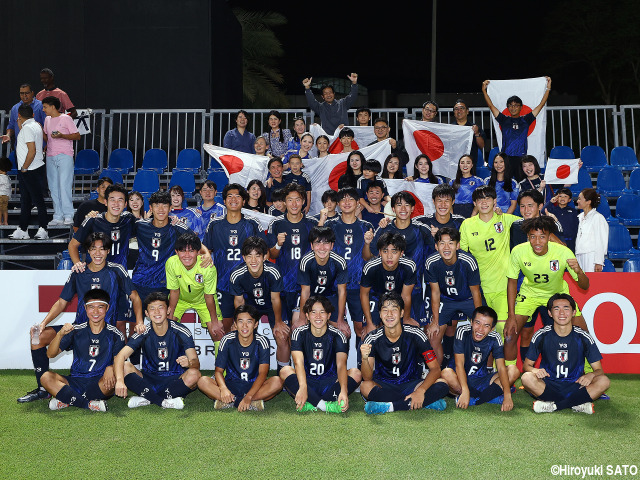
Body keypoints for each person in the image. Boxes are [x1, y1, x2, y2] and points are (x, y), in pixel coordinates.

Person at [17, 232, 143, 404]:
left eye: (102, 249)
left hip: (104, 331)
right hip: (78, 329)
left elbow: (135, 297)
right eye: (93, 249)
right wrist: (43, 324)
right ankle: (43, 388)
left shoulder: (116, 270)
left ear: (107, 251)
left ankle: (71, 394)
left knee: (109, 371)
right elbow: (62, 302)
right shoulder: (79, 271)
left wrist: (140, 321)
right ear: (88, 251)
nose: (98, 253)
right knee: (37, 336)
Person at [506, 216, 589, 365]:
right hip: (529, 294)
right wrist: (511, 315)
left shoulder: (563, 252)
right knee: (509, 335)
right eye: (533, 237)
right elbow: (511, 282)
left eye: (542, 237)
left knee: (584, 334)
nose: (537, 242)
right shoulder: (518, 251)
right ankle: (509, 375)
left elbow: (585, 286)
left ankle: (590, 374)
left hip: (557, 295)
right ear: (528, 237)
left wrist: (579, 271)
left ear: (549, 237)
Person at [360, 292, 448, 414]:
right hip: (384, 385)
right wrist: (364, 359)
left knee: (443, 384)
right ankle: (423, 402)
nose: (389, 314)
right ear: (380, 314)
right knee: (365, 386)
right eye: (385, 310)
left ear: (401, 313)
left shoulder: (416, 334)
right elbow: (367, 377)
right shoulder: (372, 338)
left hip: (411, 384)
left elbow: (435, 369)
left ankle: (391, 406)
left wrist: (421, 391)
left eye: (394, 310)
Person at [522, 294, 610, 414]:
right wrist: (535, 371)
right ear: (550, 313)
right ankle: (577, 404)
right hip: (548, 385)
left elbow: (599, 371)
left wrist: (590, 375)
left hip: (576, 385)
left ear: (574, 312)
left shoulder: (583, 336)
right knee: (526, 378)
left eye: (566, 308)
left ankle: (554, 405)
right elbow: (526, 366)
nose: (562, 313)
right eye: (556, 309)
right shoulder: (541, 335)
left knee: (604, 381)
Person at [114, 292, 201, 410]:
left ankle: (148, 398)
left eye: (161, 307)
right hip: (149, 379)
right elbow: (120, 356)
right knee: (124, 366)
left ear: (168, 310)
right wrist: (119, 381)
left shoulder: (181, 331)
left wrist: (190, 363)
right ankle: (163, 401)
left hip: (175, 379)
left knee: (195, 374)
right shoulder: (143, 332)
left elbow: (196, 363)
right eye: (152, 309)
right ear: (147, 314)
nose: (157, 312)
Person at [41, 289, 124, 412]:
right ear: (85, 308)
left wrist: (111, 367)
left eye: (100, 307)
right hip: (76, 380)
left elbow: (120, 360)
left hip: (100, 382)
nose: (95, 312)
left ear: (107, 308)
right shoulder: (76, 330)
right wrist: (59, 334)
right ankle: (88, 404)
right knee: (45, 377)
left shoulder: (116, 334)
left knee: (115, 378)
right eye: (91, 307)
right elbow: (50, 354)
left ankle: (68, 399)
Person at [267, 183, 319, 371]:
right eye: (290, 200)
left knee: (299, 331)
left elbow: (320, 252)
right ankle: (284, 374)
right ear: (284, 202)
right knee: (281, 334)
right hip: (280, 288)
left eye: (298, 199)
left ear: (304, 201)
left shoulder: (312, 224)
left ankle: (302, 372)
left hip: (302, 287)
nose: (294, 203)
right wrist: (278, 245)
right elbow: (271, 255)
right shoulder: (276, 223)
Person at [202, 184, 267, 333]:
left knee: (248, 329)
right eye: (230, 196)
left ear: (244, 201)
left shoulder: (252, 223)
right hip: (222, 285)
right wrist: (206, 253)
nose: (233, 199)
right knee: (225, 329)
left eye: (238, 196)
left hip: (247, 285)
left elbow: (265, 253)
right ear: (224, 200)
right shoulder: (215, 224)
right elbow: (205, 248)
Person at [281, 296, 361, 413]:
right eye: (313, 312)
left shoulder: (338, 335)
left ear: (329, 315)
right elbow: (298, 363)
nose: (318, 316)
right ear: (307, 316)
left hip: (330, 382)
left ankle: (311, 402)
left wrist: (343, 390)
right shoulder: (298, 333)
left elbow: (341, 365)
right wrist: (303, 387)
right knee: (285, 371)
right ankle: (324, 405)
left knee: (356, 373)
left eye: (322, 312)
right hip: (307, 382)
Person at [365, 192, 433, 328]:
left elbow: (437, 254)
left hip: (415, 290)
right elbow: (369, 256)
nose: (403, 209)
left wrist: (437, 235)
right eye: (399, 205)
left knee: (419, 333)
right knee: (383, 334)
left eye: (407, 205)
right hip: (386, 292)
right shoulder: (384, 229)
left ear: (413, 208)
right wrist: (367, 242)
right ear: (393, 209)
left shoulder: (422, 229)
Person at [459, 186, 520, 338]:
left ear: (495, 201)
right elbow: (462, 257)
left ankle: (500, 362)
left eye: (488, 198)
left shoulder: (505, 219)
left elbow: (533, 223)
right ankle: (483, 362)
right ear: (474, 203)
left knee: (502, 329)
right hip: (478, 288)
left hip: (502, 286)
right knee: (480, 330)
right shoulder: (467, 224)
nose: (484, 202)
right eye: (480, 199)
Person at [197, 304, 283, 411]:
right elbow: (218, 371)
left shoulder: (262, 341)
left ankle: (232, 401)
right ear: (235, 324)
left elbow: (263, 374)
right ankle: (249, 403)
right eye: (241, 321)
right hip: (231, 384)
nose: (245, 326)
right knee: (202, 381)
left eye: (249, 322)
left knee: (278, 381)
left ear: (256, 324)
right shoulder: (227, 340)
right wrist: (223, 389)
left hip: (254, 386)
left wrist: (249, 396)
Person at [131, 191, 211, 301]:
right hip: (140, 281)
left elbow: (197, 243)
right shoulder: (140, 226)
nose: (160, 209)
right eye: (156, 205)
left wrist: (206, 254)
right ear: (151, 208)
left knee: (164, 317)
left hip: (165, 284)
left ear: (170, 208)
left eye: (164, 205)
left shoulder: (177, 226)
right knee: (136, 318)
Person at [440, 306, 519, 411]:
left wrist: (507, 395)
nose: (480, 329)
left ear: (492, 328)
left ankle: (477, 399)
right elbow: (459, 365)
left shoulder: (495, 337)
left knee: (514, 370)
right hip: (459, 380)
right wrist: (465, 390)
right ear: (471, 322)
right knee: (446, 373)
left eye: (486, 326)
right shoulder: (462, 331)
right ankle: (489, 397)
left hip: (481, 379)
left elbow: (500, 367)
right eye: (477, 323)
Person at [425, 228, 482, 365]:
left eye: (450, 243)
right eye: (442, 243)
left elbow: (475, 292)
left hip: (467, 299)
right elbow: (435, 292)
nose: (446, 247)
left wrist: (479, 319)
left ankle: (486, 370)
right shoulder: (431, 262)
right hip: (446, 300)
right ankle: (437, 374)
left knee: (484, 330)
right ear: (436, 246)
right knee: (433, 335)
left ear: (457, 245)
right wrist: (435, 322)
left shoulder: (468, 261)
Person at [325, 188, 374, 346]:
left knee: (361, 328)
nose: (347, 203)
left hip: (358, 285)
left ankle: (362, 367)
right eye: (343, 200)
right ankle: (335, 368)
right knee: (334, 329)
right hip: (333, 285)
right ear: (338, 204)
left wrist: (367, 243)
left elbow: (368, 257)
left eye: (351, 199)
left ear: (358, 203)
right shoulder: (330, 225)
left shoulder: (366, 226)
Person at [482, 77, 551, 181]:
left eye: (516, 105)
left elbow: (541, 105)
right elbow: (491, 106)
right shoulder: (504, 120)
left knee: (522, 183)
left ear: (521, 107)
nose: (513, 108)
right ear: (508, 107)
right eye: (510, 105)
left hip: (521, 158)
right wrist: (484, 90)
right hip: (506, 158)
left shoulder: (526, 120)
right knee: (507, 184)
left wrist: (548, 89)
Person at [166, 232, 225, 343]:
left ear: (198, 252)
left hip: (203, 300)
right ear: (176, 252)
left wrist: (214, 321)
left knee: (218, 333)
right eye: (182, 251)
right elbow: (174, 291)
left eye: (191, 251)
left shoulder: (207, 267)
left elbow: (208, 296)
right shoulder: (171, 263)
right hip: (180, 300)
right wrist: (170, 315)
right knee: (167, 330)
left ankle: (220, 361)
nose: (187, 255)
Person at [361, 232, 417, 336]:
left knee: (405, 331)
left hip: (398, 299)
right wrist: (369, 323)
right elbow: (364, 295)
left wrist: (406, 318)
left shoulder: (409, 266)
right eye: (385, 251)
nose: (389, 256)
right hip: (376, 298)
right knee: (369, 333)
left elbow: (405, 296)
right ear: (380, 252)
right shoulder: (370, 267)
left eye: (394, 252)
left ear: (401, 253)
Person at [297, 227, 348, 334]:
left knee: (344, 332)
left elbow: (342, 291)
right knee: (298, 329)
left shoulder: (339, 262)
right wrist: (302, 319)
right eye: (317, 243)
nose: (322, 248)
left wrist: (340, 320)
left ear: (332, 245)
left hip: (331, 297)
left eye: (326, 243)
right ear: (311, 246)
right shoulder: (306, 261)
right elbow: (305, 291)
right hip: (311, 297)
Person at [9, 105, 48, 240]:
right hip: (32, 168)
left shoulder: (27, 128)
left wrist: (24, 167)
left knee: (37, 200)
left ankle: (43, 228)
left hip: (29, 169)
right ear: (32, 114)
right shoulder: (36, 125)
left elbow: (32, 151)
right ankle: (23, 229)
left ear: (19, 115)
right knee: (25, 200)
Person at [41, 96, 80, 226]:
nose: (43, 109)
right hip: (51, 155)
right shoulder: (47, 120)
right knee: (53, 187)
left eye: (45, 107)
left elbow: (77, 135)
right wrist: (40, 131)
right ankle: (57, 215)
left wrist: (62, 135)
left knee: (64, 185)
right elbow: (47, 137)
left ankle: (68, 215)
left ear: (53, 107)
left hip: (65, 155)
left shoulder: (66, 118)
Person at [230, 236, 283, 331]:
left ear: (264, 257)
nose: (253, 260)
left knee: (281, 335)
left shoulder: (273, 272)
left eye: (257, 256)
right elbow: (239, 301)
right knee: (240, 331)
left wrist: (278, 322)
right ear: (244, 258)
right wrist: (239, 322)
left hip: (271, 306)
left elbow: (275, 299)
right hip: (250, 307)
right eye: (249, 256)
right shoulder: (237, 274)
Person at [575, 188, 608, 272]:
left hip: (591, 257)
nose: (577, 201)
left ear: (588, 202)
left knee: (592, 283)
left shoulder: (598, 218)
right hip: (579, 255)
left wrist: (599, 261)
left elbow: (601, 240)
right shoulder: (579, 217)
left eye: (579, 199)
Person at [451, 99, 486, 165]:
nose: (459, 111)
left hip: (471, 164)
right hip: (454, 164)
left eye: (462, 108)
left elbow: (482, 145)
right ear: (454, 113)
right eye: (456, 109)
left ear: (467, 111)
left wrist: (477, 133)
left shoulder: (475, 128)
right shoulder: (450, 128)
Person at [544, 187, 579, 252]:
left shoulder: (573, 211)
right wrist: (551, 202)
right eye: (560, 196)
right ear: (556, 198)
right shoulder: (552, 210)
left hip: (570, 241)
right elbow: (543, 211)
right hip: (556, 240)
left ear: (569, 200)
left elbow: (575, 227)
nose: (562, 198)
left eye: (565, 196)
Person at [0, 157, 12, 225]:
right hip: (6, 196)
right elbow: (9, 188)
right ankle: (5, 221)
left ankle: (0, 222)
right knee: (5, 209)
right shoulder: (8, 177)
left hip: (0, 195)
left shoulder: (0, 177)